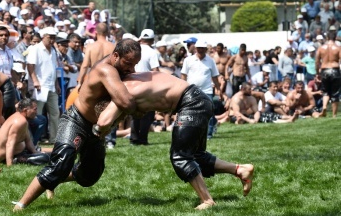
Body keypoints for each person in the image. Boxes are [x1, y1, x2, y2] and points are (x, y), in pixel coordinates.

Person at [94, 72, 254, 210]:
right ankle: (240, 170)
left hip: (192, 104)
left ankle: (207, 200)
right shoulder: (135, 80)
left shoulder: (125, 91)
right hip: (199, 100)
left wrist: (97, 133)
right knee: (196, 155)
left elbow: (103, 122)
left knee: (181, 157)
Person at [13, 39, 141, 211]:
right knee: (61, 161)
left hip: (96, 128)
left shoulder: (119, 68)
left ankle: (53, 180)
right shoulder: (106, 69)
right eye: (128, 63)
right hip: (76, 120)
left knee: (90, 176)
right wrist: (141, 107)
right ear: (116, 56)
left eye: (135, 65)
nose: (132, 69)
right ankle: (20, 206)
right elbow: (126, 102)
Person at [181, 40, 223, 139]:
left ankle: (208, 134)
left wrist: (219, 90)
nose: (200, 50)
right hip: (191, 90)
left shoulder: (210, 61)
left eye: (202, 48)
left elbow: (215, 77)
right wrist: (182, 89)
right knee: (190, 112)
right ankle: (191, 132)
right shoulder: (188, 60)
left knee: (208, 112)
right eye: (198, 48)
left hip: (207, 90)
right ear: (195, 48)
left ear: (205, 49)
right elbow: (183, 75)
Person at [27, 27, 60, 145]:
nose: (52, 40)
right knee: (37, 114)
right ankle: (34, 139)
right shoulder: (35, 49)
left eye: (54, 38)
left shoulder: (54, 51)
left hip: (51, 86)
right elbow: (30, 66)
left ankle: (54, 138)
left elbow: (54, 69)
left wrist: (56, 84)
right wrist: (35, 81)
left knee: (55, 113)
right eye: (50, 37)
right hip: (40, 87)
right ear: (43, 37)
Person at [0, 98, 51, 166]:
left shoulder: (21, 119)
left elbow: (27, 140)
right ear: (25, 110)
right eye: (35, 109)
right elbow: (10, 144)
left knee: (48, 154)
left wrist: (35, 152)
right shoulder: (20, 121)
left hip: (20, 152)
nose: (36, 112)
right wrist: (9, 164)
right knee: (44, 158)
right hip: (10, 156)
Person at [77, 23, 115, 88]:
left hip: (95, 79)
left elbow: (85, 66)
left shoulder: (90, 47)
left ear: (96, 32)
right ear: (107, 32)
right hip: (110, 80)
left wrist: (79, 82)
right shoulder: (113, 47)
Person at [315, 31, 341, 118]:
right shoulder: (338, 48)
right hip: (335, 69)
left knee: (325, 91)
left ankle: (324, 107)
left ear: (327, 38)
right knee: (335, 93)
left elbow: (317, 61)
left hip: (324, 69)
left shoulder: (321, 48)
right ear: (335, 38)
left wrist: (317, 73)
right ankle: (334, 115)